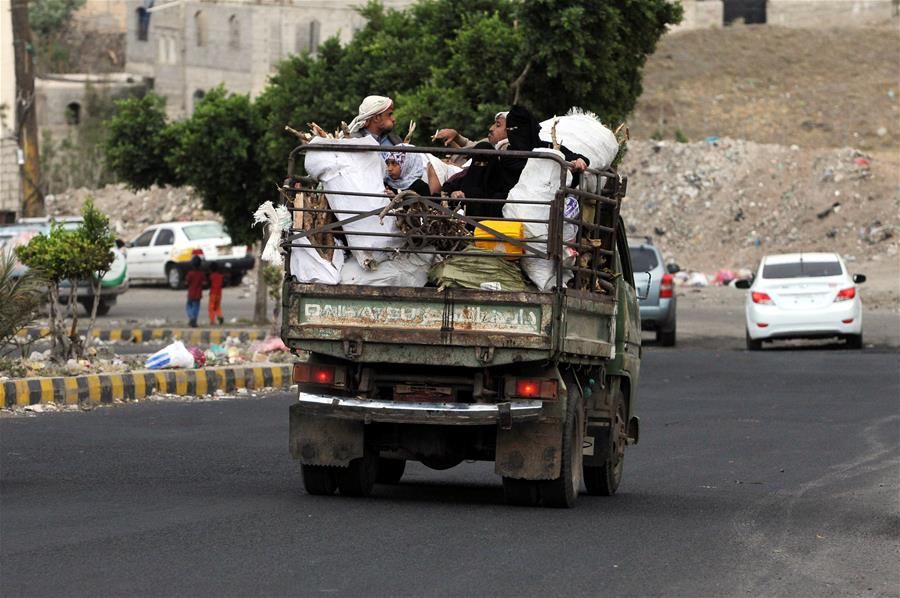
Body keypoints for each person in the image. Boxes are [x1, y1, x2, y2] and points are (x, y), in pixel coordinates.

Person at [185, 256, 205, 328]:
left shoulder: (190, 274)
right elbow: (204, 282)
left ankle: (191, 318)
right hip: (198, 294)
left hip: (191, 294)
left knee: (188, 307)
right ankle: (194, 320)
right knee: (196, 308)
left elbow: (187, 282)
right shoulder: (201, 274)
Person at [207, 261, 224, 326]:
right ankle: (220, 316)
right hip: (219, 293)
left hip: (213, 293)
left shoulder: (211, 276)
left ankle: (212, 321)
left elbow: (210, 284)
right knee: (217, 307)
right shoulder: (220, 276)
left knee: (211, 307)